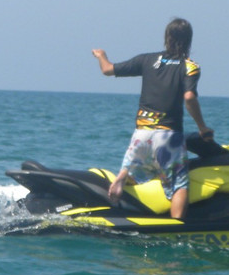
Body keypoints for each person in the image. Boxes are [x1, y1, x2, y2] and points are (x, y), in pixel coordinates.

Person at [91, 18, 214, 219]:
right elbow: (190, 97)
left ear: (167, 38)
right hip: (168, 137)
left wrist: (101, 55)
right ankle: (175, 229)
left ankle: (123, 176)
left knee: (139, 173)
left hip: (141, 135)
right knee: (178, 183)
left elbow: (107, 70)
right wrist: (202, 127)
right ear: (189, 41)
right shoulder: (190, 66)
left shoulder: (146, 60)